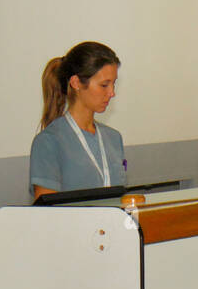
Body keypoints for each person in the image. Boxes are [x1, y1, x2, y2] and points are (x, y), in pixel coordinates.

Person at [29, 42, 126, 200]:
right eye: (104, 85)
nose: (112, 93)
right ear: (76, 83)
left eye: (113, 84)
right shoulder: (48, 142)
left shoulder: (114, 138)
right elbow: (47, 212)